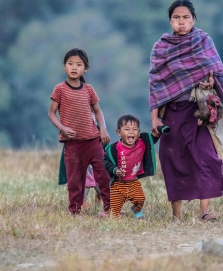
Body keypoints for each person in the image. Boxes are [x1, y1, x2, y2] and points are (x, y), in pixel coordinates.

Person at [149, 0, 223, 222]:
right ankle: (176, 214)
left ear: (193, 20)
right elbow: (156, 85)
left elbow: (217, 73)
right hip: (173, 114)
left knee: (207, 157)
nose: (181, 22)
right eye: (176, 18)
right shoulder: (161, 48)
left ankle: (205, 211)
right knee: (174, 160)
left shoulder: (204, 41)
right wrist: (154, 118)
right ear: (170, 20)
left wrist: (209, 82)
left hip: (202, 113)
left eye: (186, 18)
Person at [48, 48, 112, 216]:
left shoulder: (88, 89)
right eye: (70, 64)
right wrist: (62, 128)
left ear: (85, 68)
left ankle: (110, 209)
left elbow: (98, 111)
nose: (74, 67)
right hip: (72, 144)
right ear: (64, 67)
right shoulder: (60, 89)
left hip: (93, 140)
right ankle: (75, 211)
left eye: (79, 64)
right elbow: (51, 113)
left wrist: (103, 129)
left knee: (104, 174)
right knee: (75, 180)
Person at [103, 114, 163, 218]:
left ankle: (135, 210)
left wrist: (158, 133)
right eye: (127, 129)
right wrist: (115, 170)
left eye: (135, 129)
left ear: (138, 132)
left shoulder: (142, 143)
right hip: (118, 185)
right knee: (114, 214)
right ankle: (107, 213)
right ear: (119, 132)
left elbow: (151, 140)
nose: (131, 132)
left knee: (140, 200)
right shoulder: (114, 148)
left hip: (133, 182)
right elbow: (106, 161)